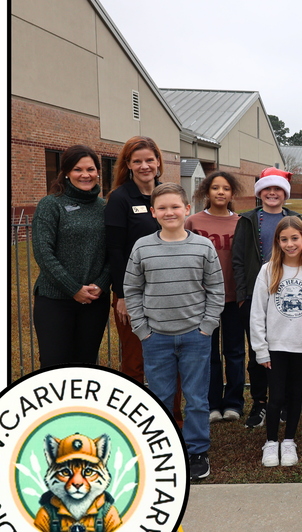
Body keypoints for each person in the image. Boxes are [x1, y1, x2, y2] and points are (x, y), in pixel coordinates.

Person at [123, 183, 224, 480]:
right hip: (156, 337)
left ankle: (196, 451)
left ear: (187, 209)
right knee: (161, 396)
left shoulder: (203, 246)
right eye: (163, 208)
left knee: (195, 397)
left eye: (175, 207)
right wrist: (142, 330)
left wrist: (207, 326)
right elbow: (132, 289)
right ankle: (164, 449)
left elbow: (216, 289)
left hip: (195, 335)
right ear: (153, 212)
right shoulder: (142, 247)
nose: (170, 212)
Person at [105, 136, 183, 424]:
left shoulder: (167, 194)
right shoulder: (120, 199)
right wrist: (122, 296)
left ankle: (173, 420)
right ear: (128, 165)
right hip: (134, 294)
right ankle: (133, 423)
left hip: (169, 291)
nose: (144, 165)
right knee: (135, 362)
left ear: (159, 161)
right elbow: (114, 249)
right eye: (137, 161)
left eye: (149, 159)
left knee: (170, 359)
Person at [232, 167, 302, 430]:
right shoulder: (248, 220)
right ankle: (260, 401)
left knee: (285, 349)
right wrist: (242, 297)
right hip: (255, 296)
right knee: (257, 351)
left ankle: (282, 401)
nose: (272, 193)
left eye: (277, 190)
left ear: (284, 194)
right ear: (260, 193)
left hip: (289, 296)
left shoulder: (295, 219)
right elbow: (238, 261)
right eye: (267, 189)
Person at [251, 217, 302, 467]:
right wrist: (261, 349)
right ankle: (271, 442)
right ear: (277, 242)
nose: (290, 244)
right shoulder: (268, 270)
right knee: (276, 397)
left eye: (295, 238)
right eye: (284, 239)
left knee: (295, 396)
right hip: (275, 348)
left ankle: (289, 441)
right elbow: (257, 312)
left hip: (300, 348)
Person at [31, 144, 111, 368]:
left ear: (97, 172)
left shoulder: (104, 207)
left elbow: (114, 251)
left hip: (95, 302)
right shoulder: (51, 204)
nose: (85, 175)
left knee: (85, 365)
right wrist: (73, 289)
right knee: (54, 365)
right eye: (77, 169)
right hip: (55, 301)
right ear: (66, 172)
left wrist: (103, 284)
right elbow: (43, 252)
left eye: (91, 169)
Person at [186, 171, 247, 423]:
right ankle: (211, 403)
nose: (220, 192)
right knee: (208, 353)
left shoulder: (243, 223)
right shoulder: (192, 222)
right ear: (206, 192)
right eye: (215, 188)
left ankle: (233, 403)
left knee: (234, 352)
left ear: (232, 194)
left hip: (234, 298)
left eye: (226, 188)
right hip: (203, 300)